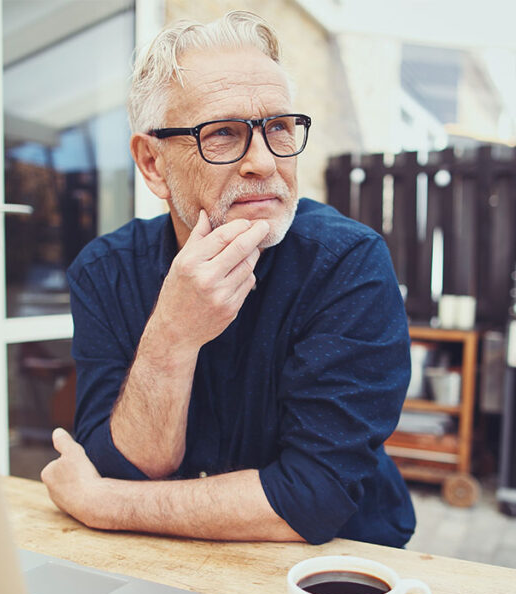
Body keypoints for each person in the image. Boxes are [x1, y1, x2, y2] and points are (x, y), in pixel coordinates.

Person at [41, 11, 415, 547]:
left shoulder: (346, 264)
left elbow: (311, 499)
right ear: (152, 163)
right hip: (164, 561)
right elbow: (125, 463)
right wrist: (171, 334)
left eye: (280, 127)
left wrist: (105, 503)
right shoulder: (107, 271)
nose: (264, 161)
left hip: (334, 574)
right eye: (223, 134)